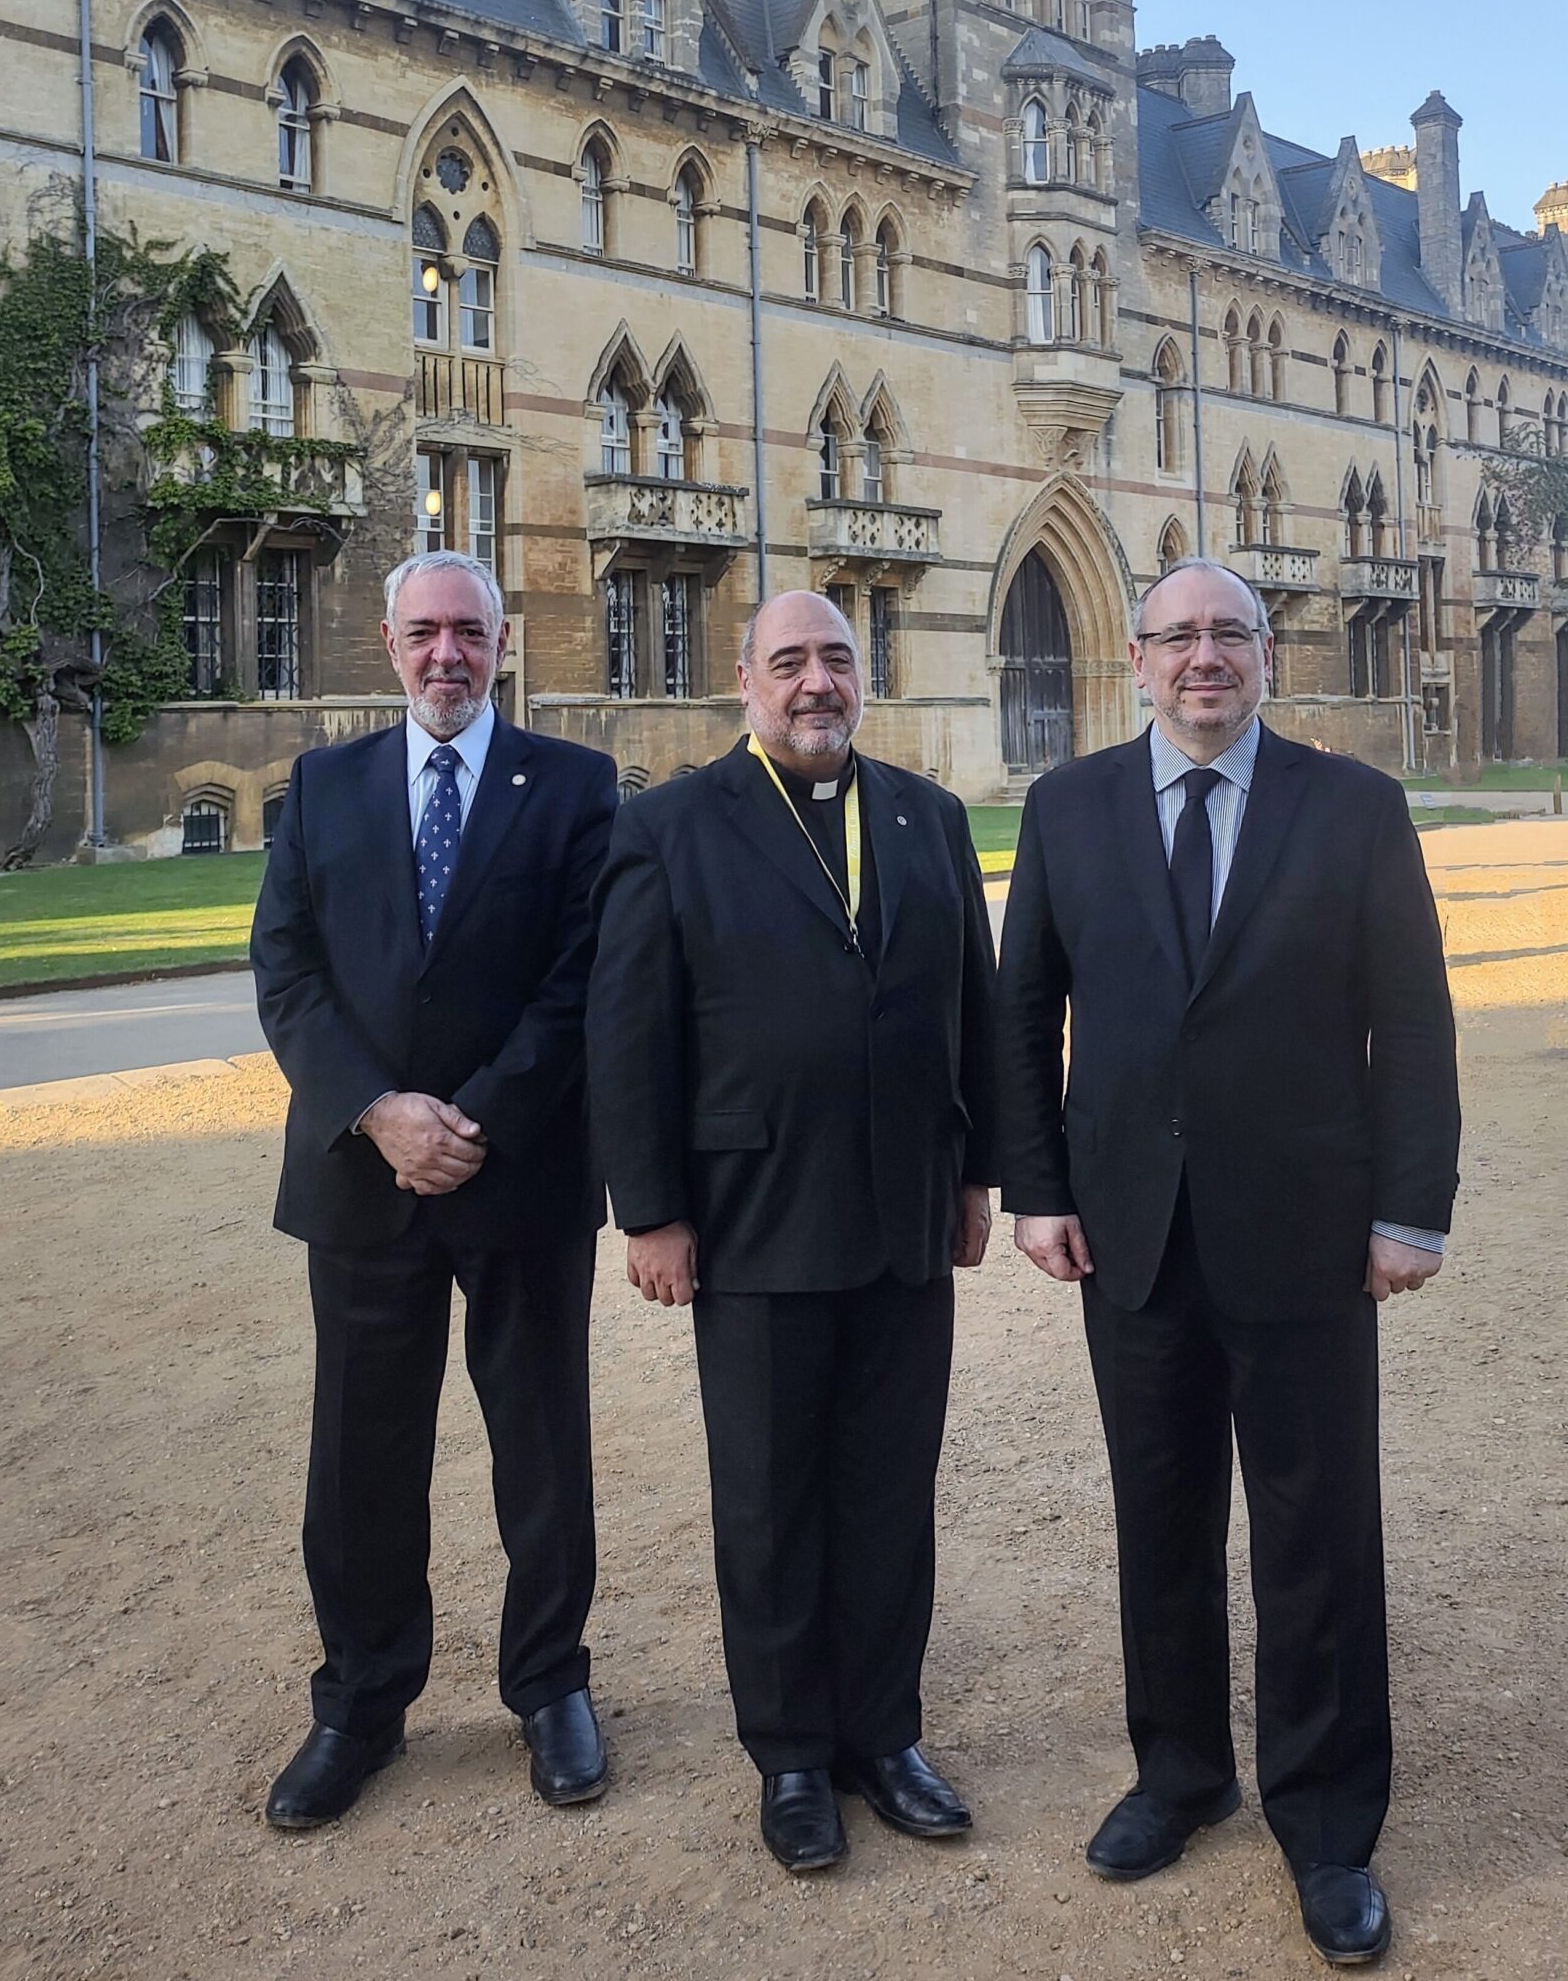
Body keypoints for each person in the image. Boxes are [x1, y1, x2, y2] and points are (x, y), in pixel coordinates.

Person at [997, 558, 1459, 1968]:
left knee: (1318, 1537)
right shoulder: (1068, 808)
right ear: (1136, 659)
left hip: (1308, 1235)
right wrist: (1039, 1193)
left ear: (1269, 656)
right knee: (1162, 1520)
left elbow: (1416, 1029)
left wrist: (1408, 1214)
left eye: (1231, 636)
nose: (1205, 659)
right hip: (1132, 1231)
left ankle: (1325, 1822)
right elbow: (1022, 1023)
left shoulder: (1356, 809)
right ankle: (1180, 1772)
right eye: (1179, 637)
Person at [587, 589, 999, 1872]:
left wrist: (977, 1170)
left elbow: (971, 1008)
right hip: (752, 1220)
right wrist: (649, 1210)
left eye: (833, 658)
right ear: (744, 683)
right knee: (768, 1501)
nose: (814, 682)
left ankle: (884, 1735)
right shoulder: (666, 826)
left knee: (889, 1492)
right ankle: (791, 1757)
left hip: (900, 1214)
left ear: (860, 675)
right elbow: (628, 1032)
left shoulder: (925, 817)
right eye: (788, 662)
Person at [250, 550, 618, 1830]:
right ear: (388, 643)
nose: (446, 653)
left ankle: (550, 1685)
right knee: (360, 1452)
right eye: (423, 633)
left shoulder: (573, 784)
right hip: (362, 1175)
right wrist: (379, 1109)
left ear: (502, 643)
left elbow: (582, 976)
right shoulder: (322, 782)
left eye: (469, 631)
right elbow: (286, 971)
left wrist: (475, 1119)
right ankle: (359, 1699)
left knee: (541, 1444)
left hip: (517, 1173)